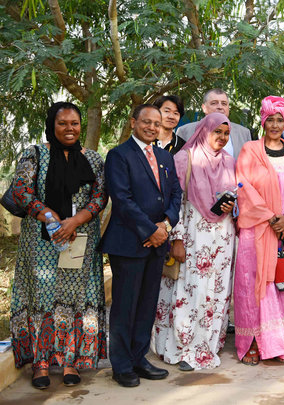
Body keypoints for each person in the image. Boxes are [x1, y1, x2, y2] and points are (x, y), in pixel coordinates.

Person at [9, 102, 107, 389]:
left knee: (77, 297)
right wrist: (49, 215)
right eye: (63, 123)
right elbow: (21, 190)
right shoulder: (35, 154)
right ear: (52, 125)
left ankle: (70, 361)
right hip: (41, 240)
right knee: (41, 296)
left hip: (81, 238)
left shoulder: (92, 158)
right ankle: (40, 364)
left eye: (75, 123)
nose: (69, 129)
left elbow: (101, 195)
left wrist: (75, 221)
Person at [101, 104, 182, 387]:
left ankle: (139, 358)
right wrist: (150, 230)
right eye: (146, 122)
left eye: (156, 123)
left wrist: (165, 227)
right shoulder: (118, 155)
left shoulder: (164, 157)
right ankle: (121, 366)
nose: (152, 127)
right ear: (133, 122)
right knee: (125, 306)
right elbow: (121, 200)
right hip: (128, 243)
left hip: (157, 242)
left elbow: (175, 194)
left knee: (147, 305)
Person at [151, 112, 237, 371]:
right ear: (204, 131)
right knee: (189, 291)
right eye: (217, 132)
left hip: (222, 237)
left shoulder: (230, 162)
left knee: (216, 293)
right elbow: (172, 203)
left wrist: (234, 205)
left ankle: (206, 345)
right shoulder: (184, 158)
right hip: (191, 234)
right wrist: (175, 239)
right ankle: (183, 347)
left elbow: (238, 196)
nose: (221, 137)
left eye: (226, 133)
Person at [234, 96, 284, 365]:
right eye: (271, 119)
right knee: (254, 286)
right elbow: (243, 187)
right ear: (263, 120)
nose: (276, 124)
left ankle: (283, 344)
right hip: (257, 231)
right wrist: (272, 220)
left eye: (280, 119)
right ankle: (255, 343)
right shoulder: (249, 151)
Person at [175, 88, 252, 161]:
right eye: (214, 103)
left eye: (224, 104)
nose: (220, 107)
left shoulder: (244, 133)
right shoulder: (184, 131)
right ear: (204, 107)